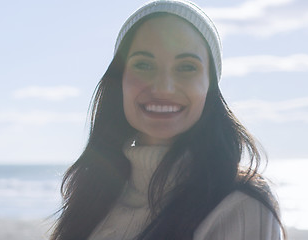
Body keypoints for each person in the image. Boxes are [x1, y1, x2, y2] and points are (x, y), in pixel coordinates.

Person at [50, 0, 285, 239]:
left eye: (186, 67)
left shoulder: (241, 207)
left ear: (210, 87)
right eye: (144, 64)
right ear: (120, 80)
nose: (164, 87)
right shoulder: (92, 199)